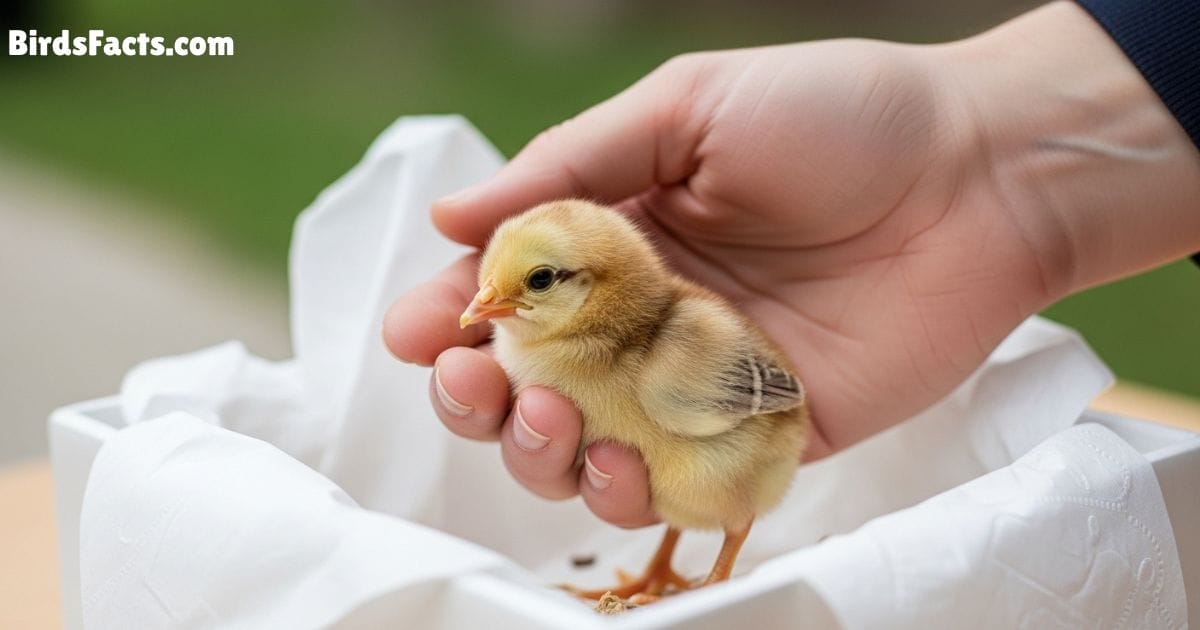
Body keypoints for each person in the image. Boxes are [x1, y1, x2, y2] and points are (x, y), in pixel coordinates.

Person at [383, 0, 1200, 529]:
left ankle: (711, 567)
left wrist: (980, 146)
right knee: (638, 476)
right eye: (498, 278)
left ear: (597, 287)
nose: (488, 300)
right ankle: (670, 567)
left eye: (533, 282)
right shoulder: (562, 347)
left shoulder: (668, 363)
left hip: (736, 423)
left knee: (686, 480)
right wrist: (977, 139)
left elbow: (772, 403)